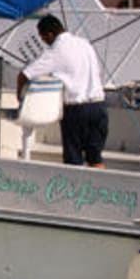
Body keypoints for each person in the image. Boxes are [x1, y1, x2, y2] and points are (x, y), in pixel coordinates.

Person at [17, 15, 108, 167]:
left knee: (73, 159)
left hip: (77, 110)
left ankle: (76, 188)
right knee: (95, 158)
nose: (44, 42)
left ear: (50, 34)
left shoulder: (55, 51)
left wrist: (20, 98)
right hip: (99, 107)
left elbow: (24, 75)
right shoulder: (84, 44)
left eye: (43, 38)